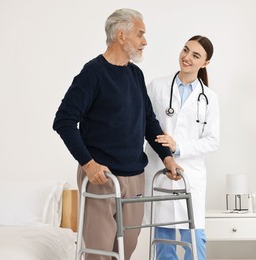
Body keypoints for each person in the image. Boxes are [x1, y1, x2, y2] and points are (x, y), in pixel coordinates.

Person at [52, 8, 182, 260]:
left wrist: (167, 157)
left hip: (134, 176)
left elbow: (148, 121)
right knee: (99, 252)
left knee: (125, 250)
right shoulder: (93, 73)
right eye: (140, 34)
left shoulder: (135, 74)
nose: (145, 41)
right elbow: (64, 121)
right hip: (102, 178)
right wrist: (88, 164)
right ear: (121, 36)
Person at [144, 35, 220, 260]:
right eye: (185, 50)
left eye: (195, 55)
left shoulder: (209, 98)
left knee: (194, 244)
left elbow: (213, 140)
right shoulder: (157, 86)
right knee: (164, 242)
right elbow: (144, 124)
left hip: (190, 176)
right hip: (161, 172)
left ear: (205, 63)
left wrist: (178, 147)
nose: (186, 57)